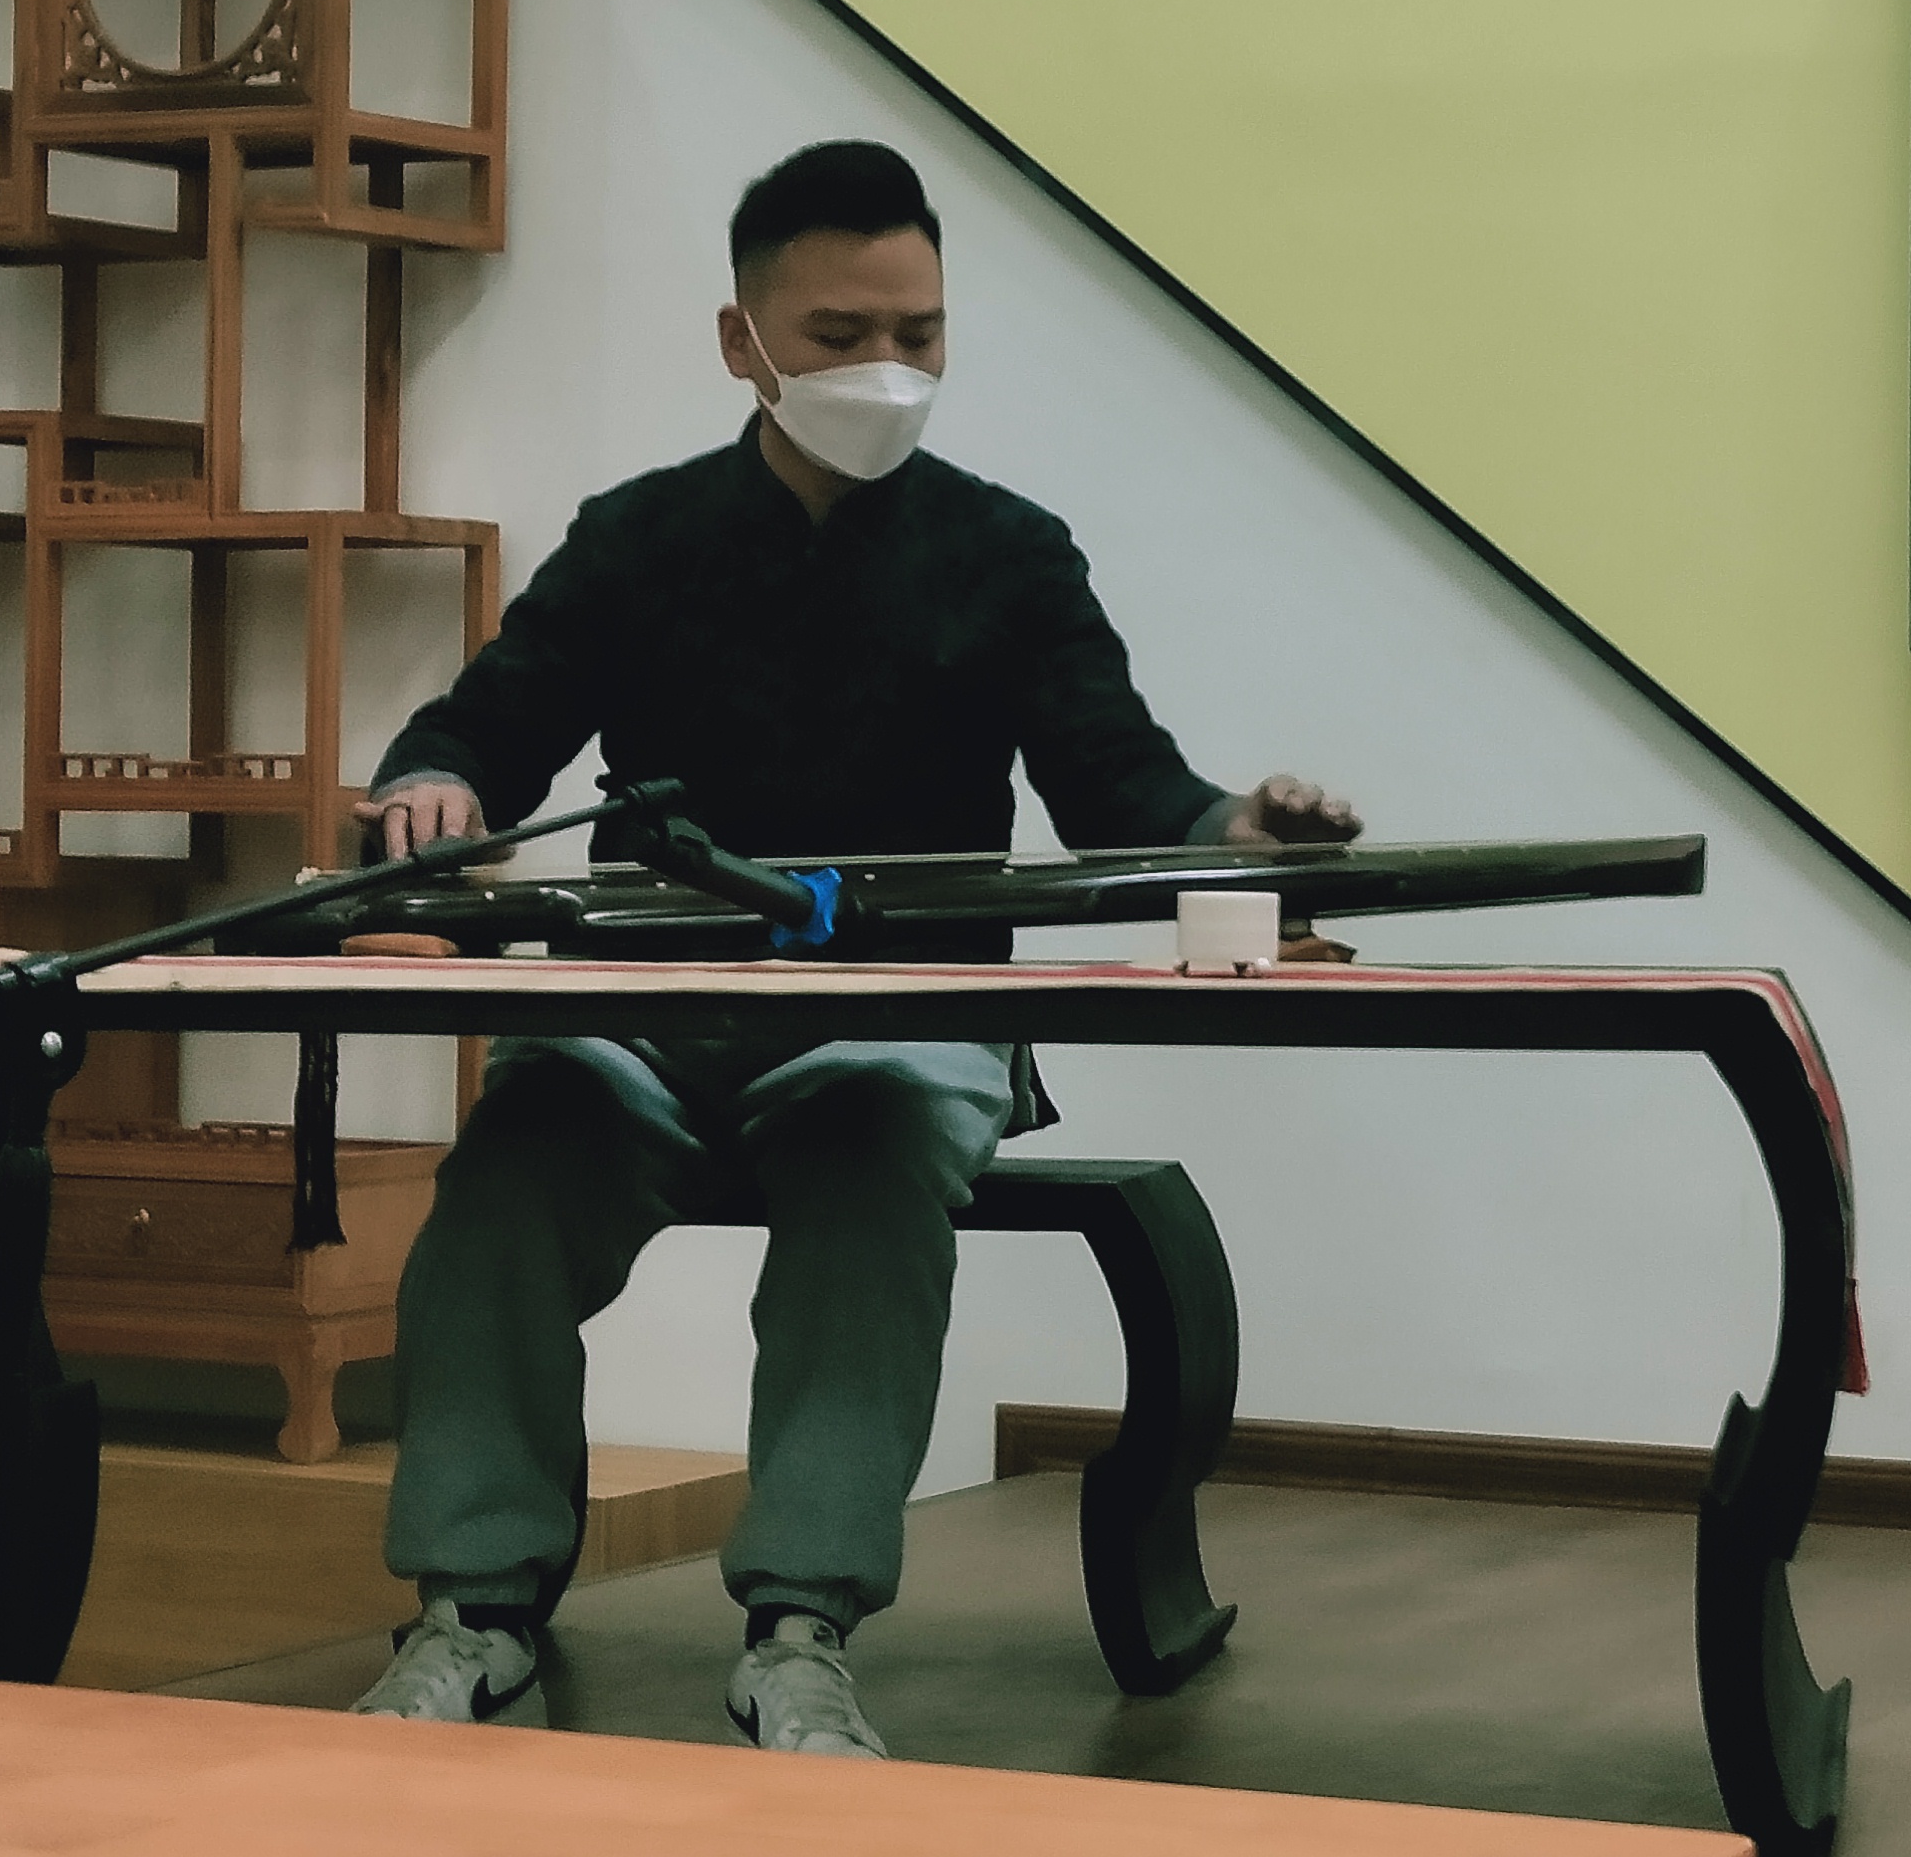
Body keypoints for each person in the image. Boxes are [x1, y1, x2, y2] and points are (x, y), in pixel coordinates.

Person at [347, 139, 1362, 1756]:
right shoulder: (639, 538)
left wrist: (1241, 832)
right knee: (510, 1172)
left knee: (871, 1144)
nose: (886, 367)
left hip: (898, 1016)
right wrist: (434, 783)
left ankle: (800, 1630)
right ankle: (471, 1609)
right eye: (838, 335)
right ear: (741, 341)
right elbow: (484, 729)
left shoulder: (1009, 553)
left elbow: (1125, 791)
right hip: (647, 1018)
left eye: (919, 332)